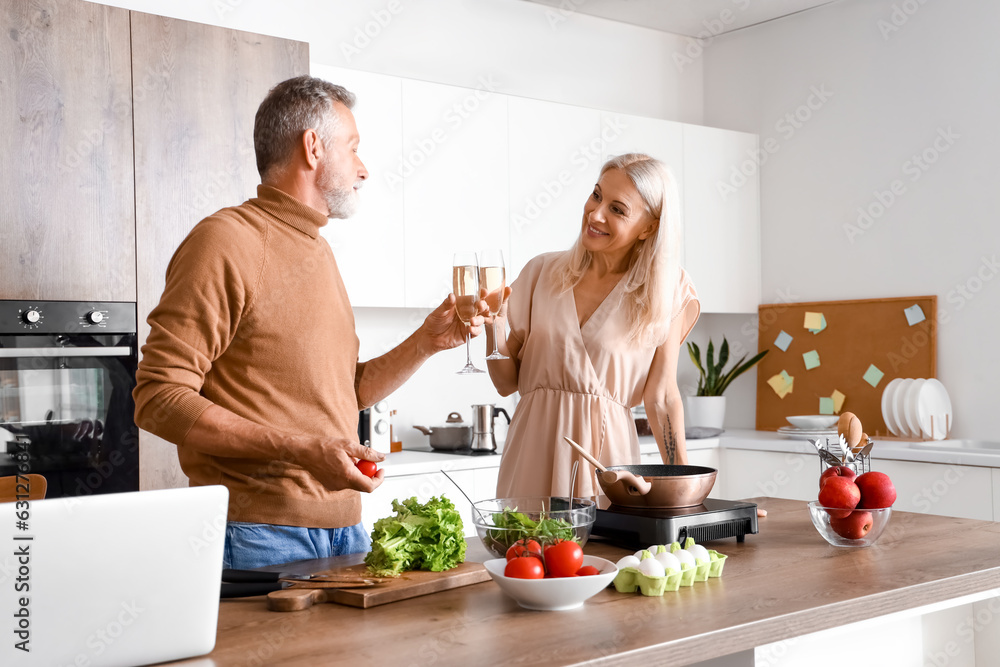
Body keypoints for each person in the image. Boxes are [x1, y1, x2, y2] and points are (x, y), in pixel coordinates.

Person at [133, 76, 485, 569]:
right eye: (354, 148)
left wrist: (425, 342)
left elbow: (343, 392)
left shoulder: (318, 250)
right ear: (314, 147)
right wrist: (304, 451)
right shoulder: (225, 241)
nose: (364, 169)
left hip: (346, 530)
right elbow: (158, 399)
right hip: (257, 535)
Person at [486, 153, 700, 499]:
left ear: (649, 227)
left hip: (606, 465)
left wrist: (687, 493)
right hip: (530, 455)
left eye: (617, 209)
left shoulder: (667, 289)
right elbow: (505, 382)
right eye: (597, 195)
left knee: (601, 552)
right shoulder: (542, 272)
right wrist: (492, 325)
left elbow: (661, 398)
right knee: (521, 551)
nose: (595, 213)